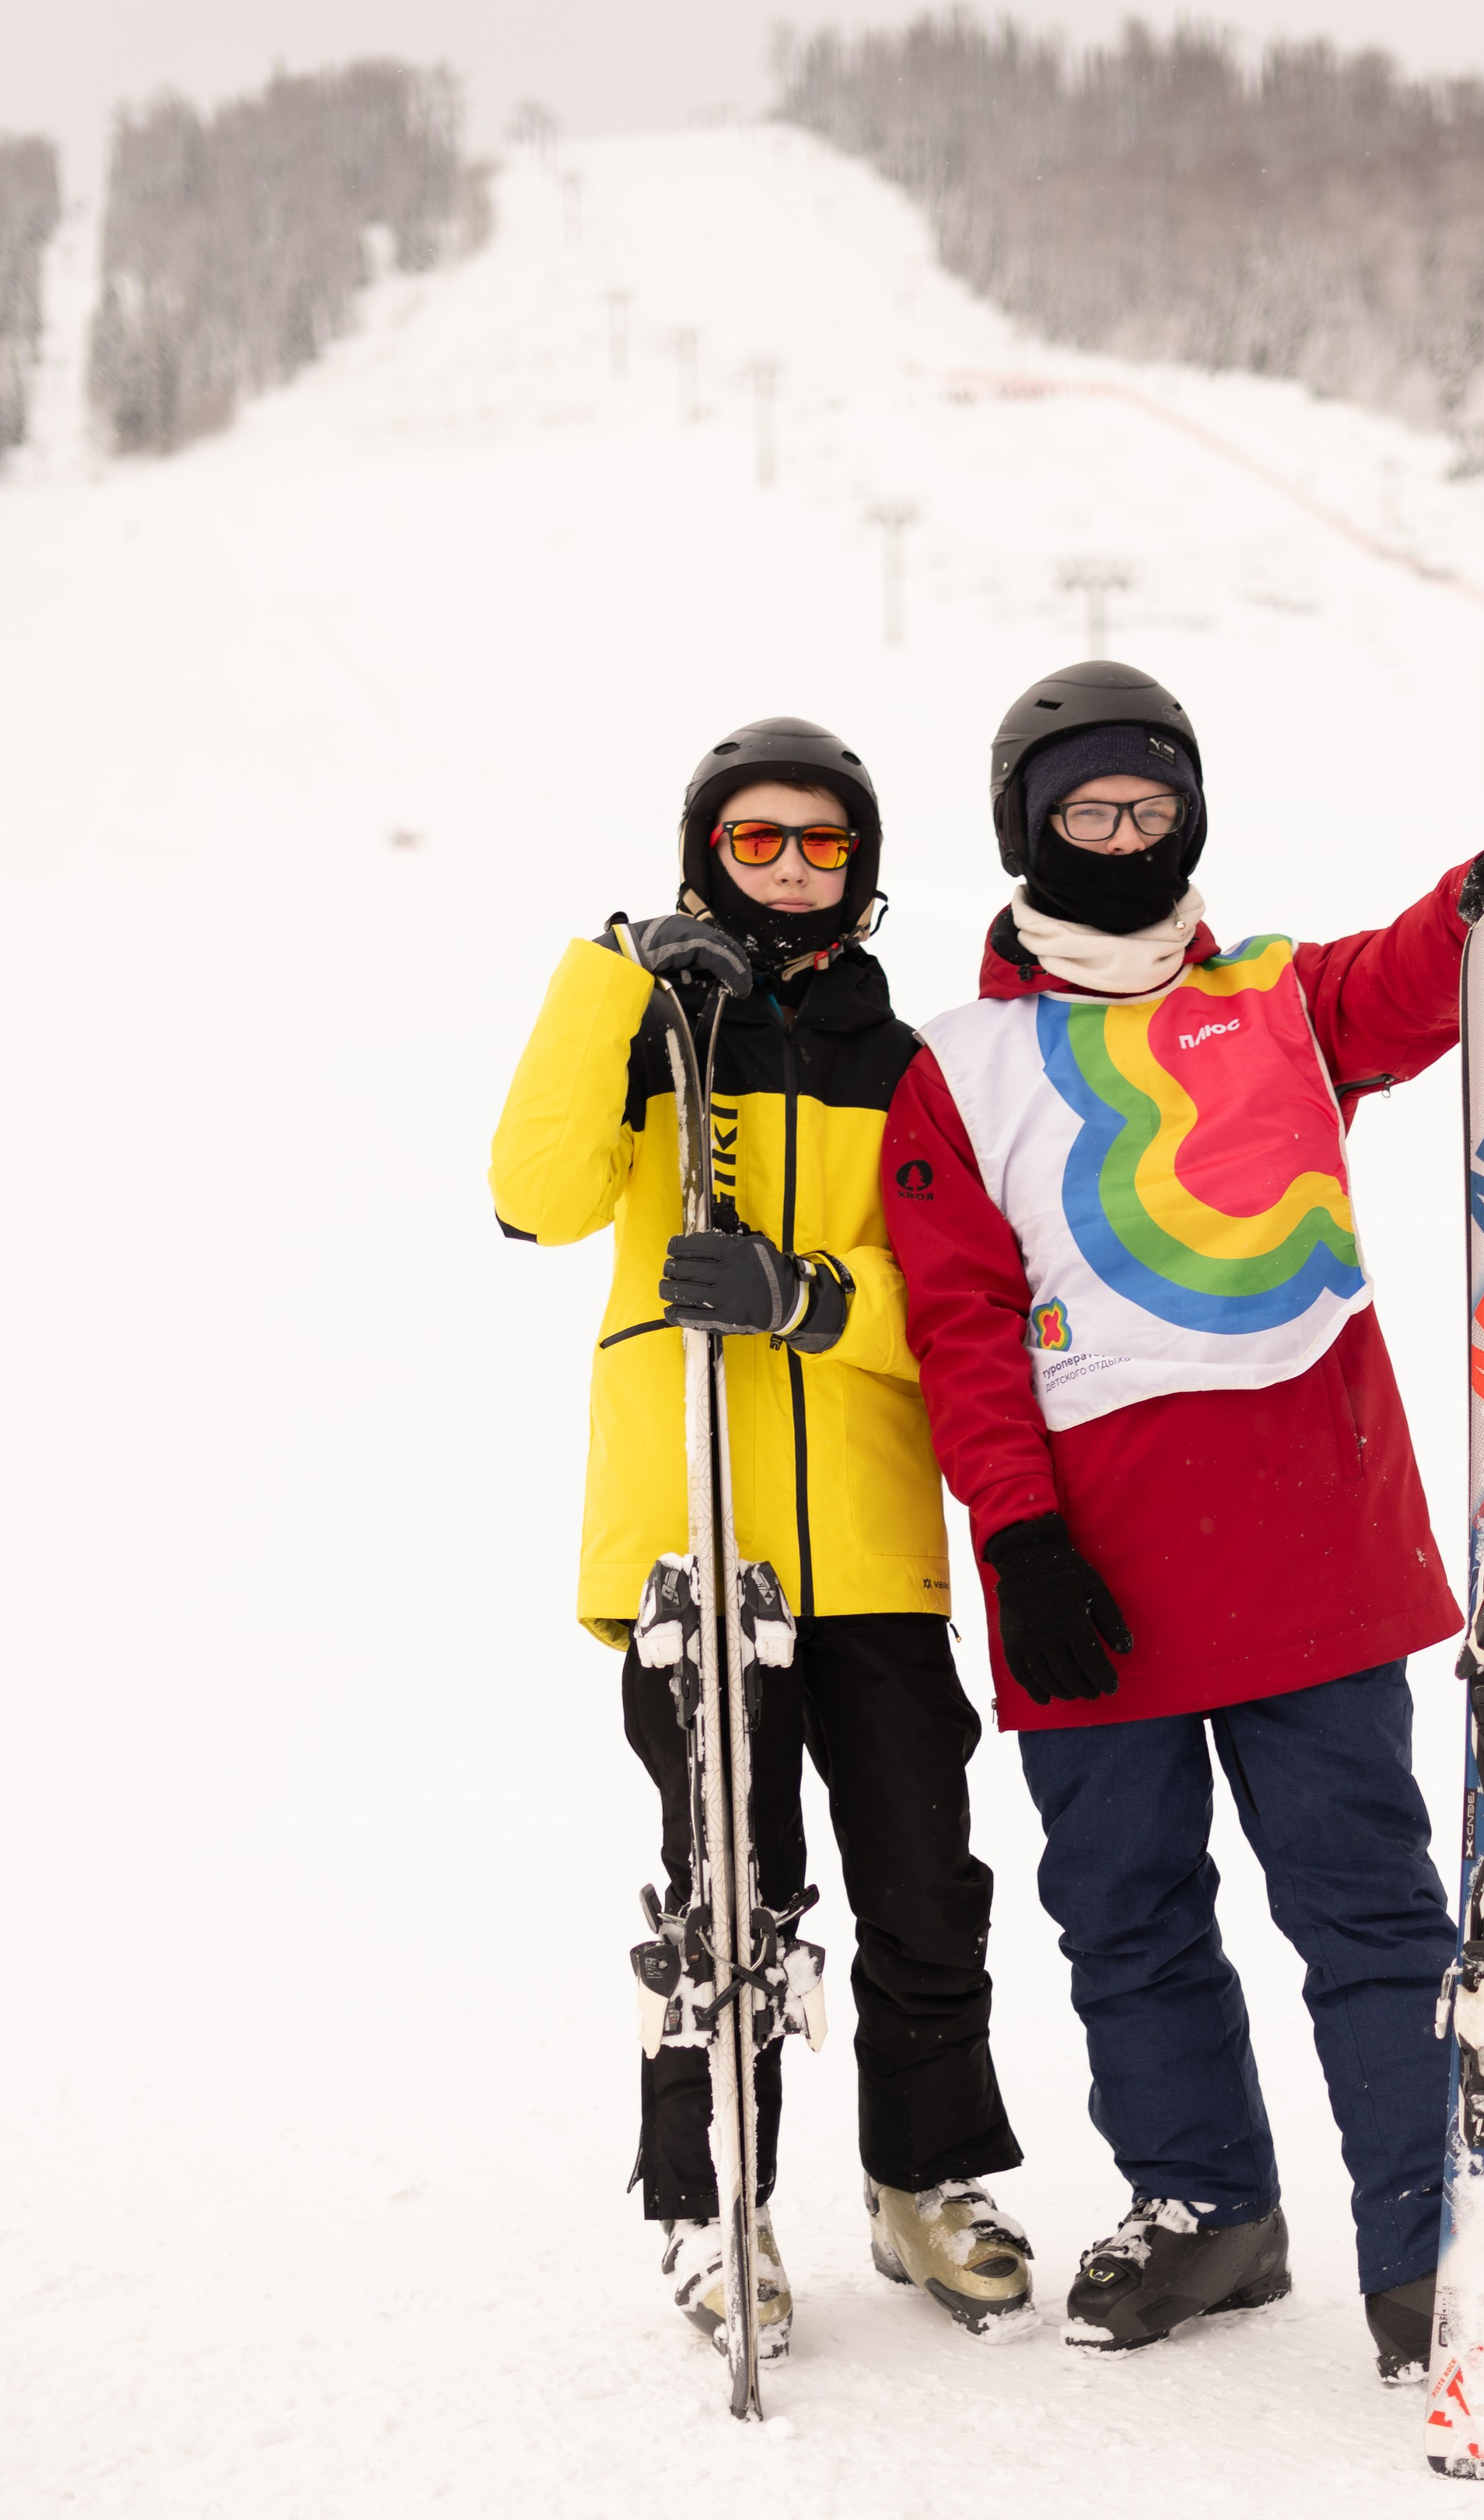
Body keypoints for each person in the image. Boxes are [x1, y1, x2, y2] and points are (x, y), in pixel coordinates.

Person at [880, 659, 1484, 2371]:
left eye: (1153, 808)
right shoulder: (962, 1063)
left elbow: (1397, 983)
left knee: (1362, 1900)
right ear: (1024, 829)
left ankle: (1427, 2233)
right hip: (1084, 1565)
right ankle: (1204, 2207)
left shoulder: (1278, 1001)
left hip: (1304, 1540)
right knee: (1127, 1906)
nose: (1125, 839)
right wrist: (1015, 1532)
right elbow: (959, 1323)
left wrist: (1482, 899)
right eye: (1087, 812)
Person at [489, 715, 1034, 2363]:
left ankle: (923, 2181)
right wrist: (614, 982)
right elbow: (535, 1194)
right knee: (726, 1894)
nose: (790, 868)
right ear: (701, 855)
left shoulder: (909, 1063)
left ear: (862, 871)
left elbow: (958, 1305)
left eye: (820, 844)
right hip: (688, 1537)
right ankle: (709, 2203)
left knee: (923, 1886)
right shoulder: (648, 1032)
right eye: (754, 841)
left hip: (867, 1541)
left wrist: (808, 1302)